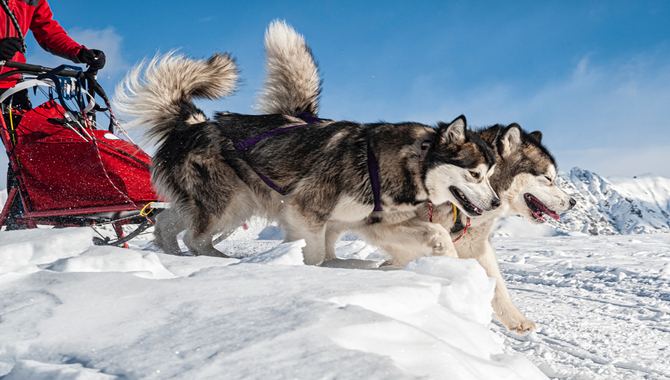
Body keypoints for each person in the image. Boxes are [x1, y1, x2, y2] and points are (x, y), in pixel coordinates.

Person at [0, 0, 105, 109]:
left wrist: (80, 52)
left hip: (12, 85)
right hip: (7, 79)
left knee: (30, 125)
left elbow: (49, 33)